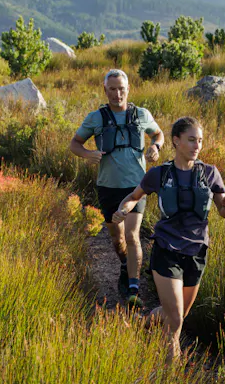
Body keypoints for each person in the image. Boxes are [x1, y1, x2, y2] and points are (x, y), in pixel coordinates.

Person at [113, 116, 225, 359]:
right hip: (166, 250)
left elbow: (224, 213)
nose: (196, 146)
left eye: (200, 141)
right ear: (176, 141)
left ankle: (143, 322)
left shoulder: (210, 173)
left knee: (176, 313)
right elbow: (134, 196)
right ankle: (170, 379)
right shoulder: (159, 174)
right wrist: (124, 209)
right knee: (175, 321)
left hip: (196, 253)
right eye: (191, 140)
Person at [69, 69, 164, 307]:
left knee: (132, 236)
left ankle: (133, 290)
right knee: (117, 237)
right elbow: (75, 144)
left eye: (121, 88)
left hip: (136, 186)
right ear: (105, 90)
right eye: (112, 89)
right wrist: (87, 154)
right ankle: (125, 265)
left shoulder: (141, 114)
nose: (117, 93)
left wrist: (156, 147)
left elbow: (159, 133)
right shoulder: (96, 118)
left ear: (128, 89)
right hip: (108, 187)